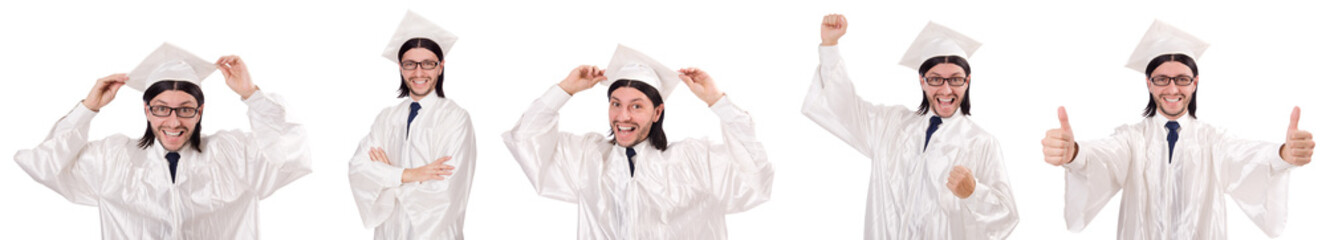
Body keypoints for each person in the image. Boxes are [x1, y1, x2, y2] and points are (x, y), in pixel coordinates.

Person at [1041, 20, 1316, 239]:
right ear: (1149, 83)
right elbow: (1103, 157)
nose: (1172, 89)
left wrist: (1283, 155)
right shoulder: (1132, 140)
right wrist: (1074, 153)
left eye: (1182, 79)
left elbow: (1246, 157)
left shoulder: (1213, 141)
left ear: (1195, 82)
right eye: (1162, 79)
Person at [13, 43, 311, 239]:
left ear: (199, 111)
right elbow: (45, 166)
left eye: (185, 109)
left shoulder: (233, 155)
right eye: (161, 109)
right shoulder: (113, 159)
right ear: (146, 110)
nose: (173, 121)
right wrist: (88, 108)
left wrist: (251, 94)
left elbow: (292, 154)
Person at [501, 45, 773, 239]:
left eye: (636, 106)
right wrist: (565, 89)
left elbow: (754, 176)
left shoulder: (694, 161)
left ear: (657, 112)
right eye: (616, 103)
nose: (623, 116)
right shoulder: (589, 159)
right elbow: (526, 140)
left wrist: (717, 100)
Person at [803, 14, 1018, 239]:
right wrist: (830, 46)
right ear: (922, 80)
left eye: (955, 79)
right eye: (936, 79)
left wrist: (974, 192)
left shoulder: (981, 143)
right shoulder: (889, 125)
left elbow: (1007, 216)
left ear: (967, 80)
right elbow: (842, 107)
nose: (946, 90)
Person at [347, 10, 476, 240]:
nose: (418, 72)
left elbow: (446, 190)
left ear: (440, 66)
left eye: (427, 63)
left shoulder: (455, 119)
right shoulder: (386, 118)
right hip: (388, 233)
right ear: (400, 67)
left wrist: (388, 177)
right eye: (410, 64)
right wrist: (411, 174)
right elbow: (358, 168)